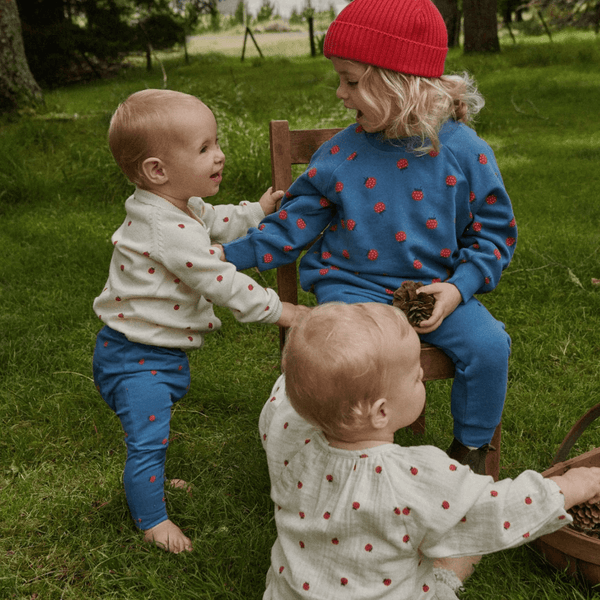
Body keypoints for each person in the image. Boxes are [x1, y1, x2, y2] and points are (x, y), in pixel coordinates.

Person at [218, 0, 517, 475]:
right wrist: (218, 258)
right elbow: (290, 228)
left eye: (351, 80)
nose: (340, 93)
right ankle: (345, 456)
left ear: (403, 84)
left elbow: (494, 236)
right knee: (354, 358)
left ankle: (470, 455)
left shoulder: (465, 152)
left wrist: (457, 290)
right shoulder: (341, 154)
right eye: (340, 79)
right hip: (352, 290)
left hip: (432, 293)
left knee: (489, 346)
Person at [260, 302, 600, 599]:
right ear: (381, 412)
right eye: (415, 378)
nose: (422, 379)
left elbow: (285, 396)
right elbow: (495, 512)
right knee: (464, 551)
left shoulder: (289, 433)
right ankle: (446, 576)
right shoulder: (413, 478)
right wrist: (574, 485)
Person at [92, 89, 306, 553]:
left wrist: (257, 211)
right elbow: (220, 280)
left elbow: (216, 219)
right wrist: (281, 310)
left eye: (216, 142)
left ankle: (153, 484)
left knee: (155, 431)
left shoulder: (177, 206)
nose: (219, 155)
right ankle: (152, 520)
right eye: (204, 148)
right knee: (147, 440)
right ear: (157, 170)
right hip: (136, 358)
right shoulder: (166, 229)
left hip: (148, 350)